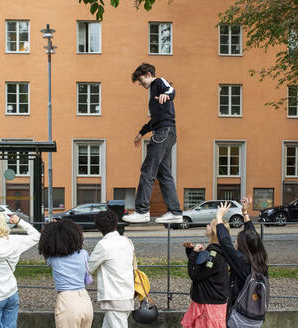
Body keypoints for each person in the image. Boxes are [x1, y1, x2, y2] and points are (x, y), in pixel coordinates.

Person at [123, 62, 183, 224]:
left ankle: (142, 210)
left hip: (163, 133)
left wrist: (168, 95)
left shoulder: (158, 82)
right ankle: (175, 212)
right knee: (164, 174)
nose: (141, 84)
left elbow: (171, 89)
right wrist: (141, 133)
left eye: (142, 81)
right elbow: (154, 121)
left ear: (149, 74)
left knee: (147, 170)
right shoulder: (154, 95)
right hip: (166, 131)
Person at [213, 198, 268, 319]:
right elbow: (253, 237)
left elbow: (224, 243)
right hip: (256, 315)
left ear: (243, 245)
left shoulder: (242, 262)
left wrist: (219, 217)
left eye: (236, 240)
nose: (234, 243)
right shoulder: (260, 260)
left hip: (240, 315)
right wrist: (245, 213)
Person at [38, 219, 93, 328]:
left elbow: (46, 249)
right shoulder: (83, 254)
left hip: (67, 301)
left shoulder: (53, 259)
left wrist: (51, 228)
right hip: (85, 300)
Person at [88, 210, 135, 328]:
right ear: (116, 224)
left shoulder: (103, 245)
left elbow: (88, 268)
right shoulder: (127, 241)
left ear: (99, 228)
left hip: (113, 297)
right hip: (127, 294)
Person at [181, 218, 230, 328]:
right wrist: (192, 251)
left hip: (208, 304)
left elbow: (195, 274)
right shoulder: (220, 251)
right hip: (214, 301)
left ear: (213, 230)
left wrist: (194, 253)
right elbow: (204, 270)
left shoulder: (213, 254)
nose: (206, 226)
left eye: (209, 224)